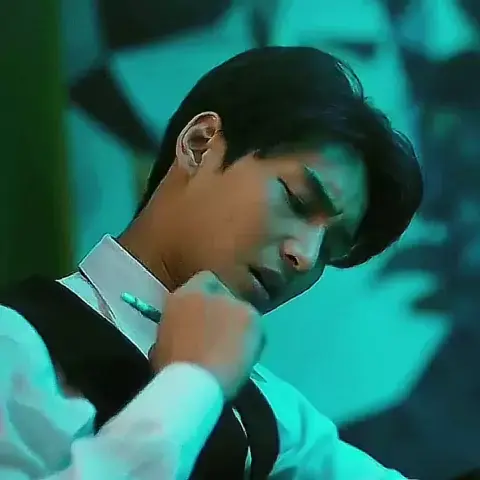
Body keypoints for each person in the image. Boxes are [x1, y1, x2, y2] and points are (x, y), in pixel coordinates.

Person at [0, 46, 423, 479]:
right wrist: (192, 384)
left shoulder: (275, 415)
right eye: (297, 200)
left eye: (330, 250)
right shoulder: (15, 344)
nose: (306, 256)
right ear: (199, 144)